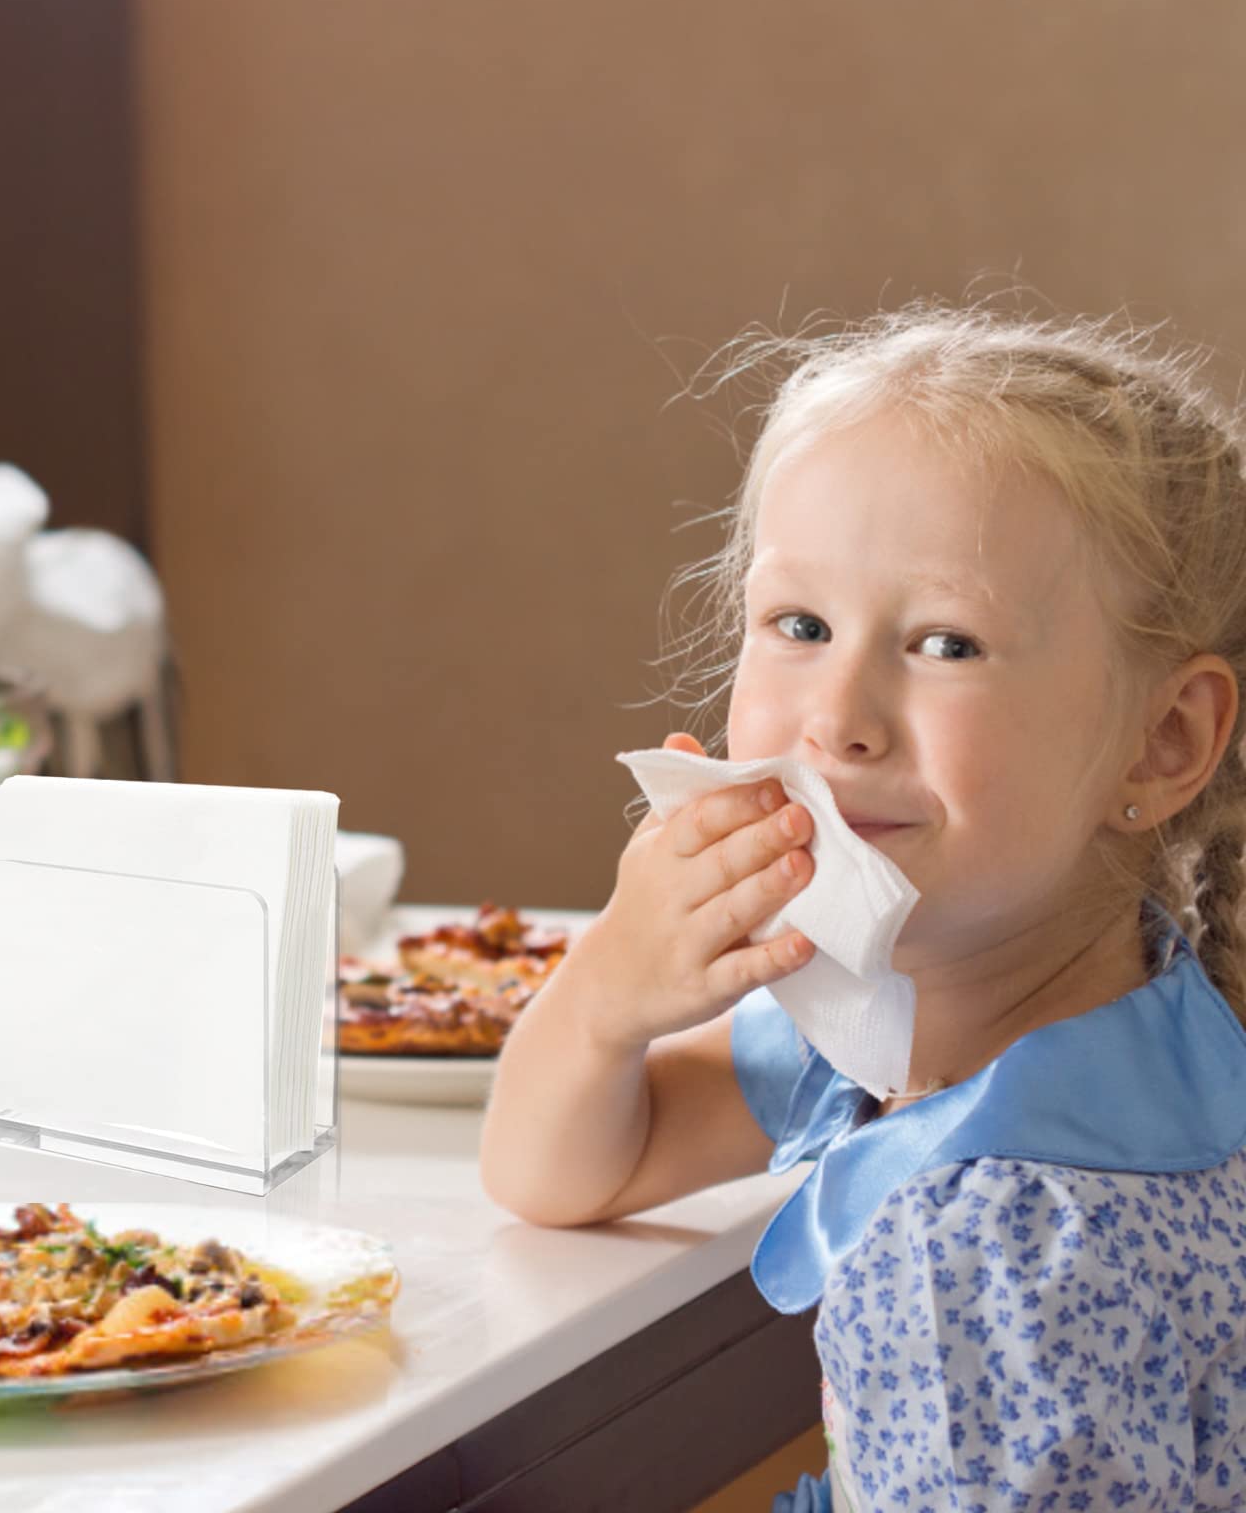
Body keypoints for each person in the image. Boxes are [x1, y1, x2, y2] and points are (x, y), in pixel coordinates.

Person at [479, 302, 1246, 1510]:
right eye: (798, 625)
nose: (835, 715)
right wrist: (609, 996)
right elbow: (558, 1172)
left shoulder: (995, 1251)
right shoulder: (949, 1029)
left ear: (1161, 741)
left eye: (945, 643)